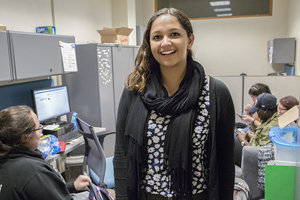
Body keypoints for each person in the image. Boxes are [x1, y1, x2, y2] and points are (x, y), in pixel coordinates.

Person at [113, 7, 235, 200]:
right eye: (157, 37)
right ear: (150, 44)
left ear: (190, 40)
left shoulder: (216, 92)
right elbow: (121, 153)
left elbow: (226, 163)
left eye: (174, 34)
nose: (165, 43)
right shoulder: (135, 91)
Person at [0, 105, 91, 200]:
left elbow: (41, 191)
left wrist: (73, 186)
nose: (41, 130)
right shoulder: (34, 172)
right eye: (38, 127)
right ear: (25, 137)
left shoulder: (6, 161)